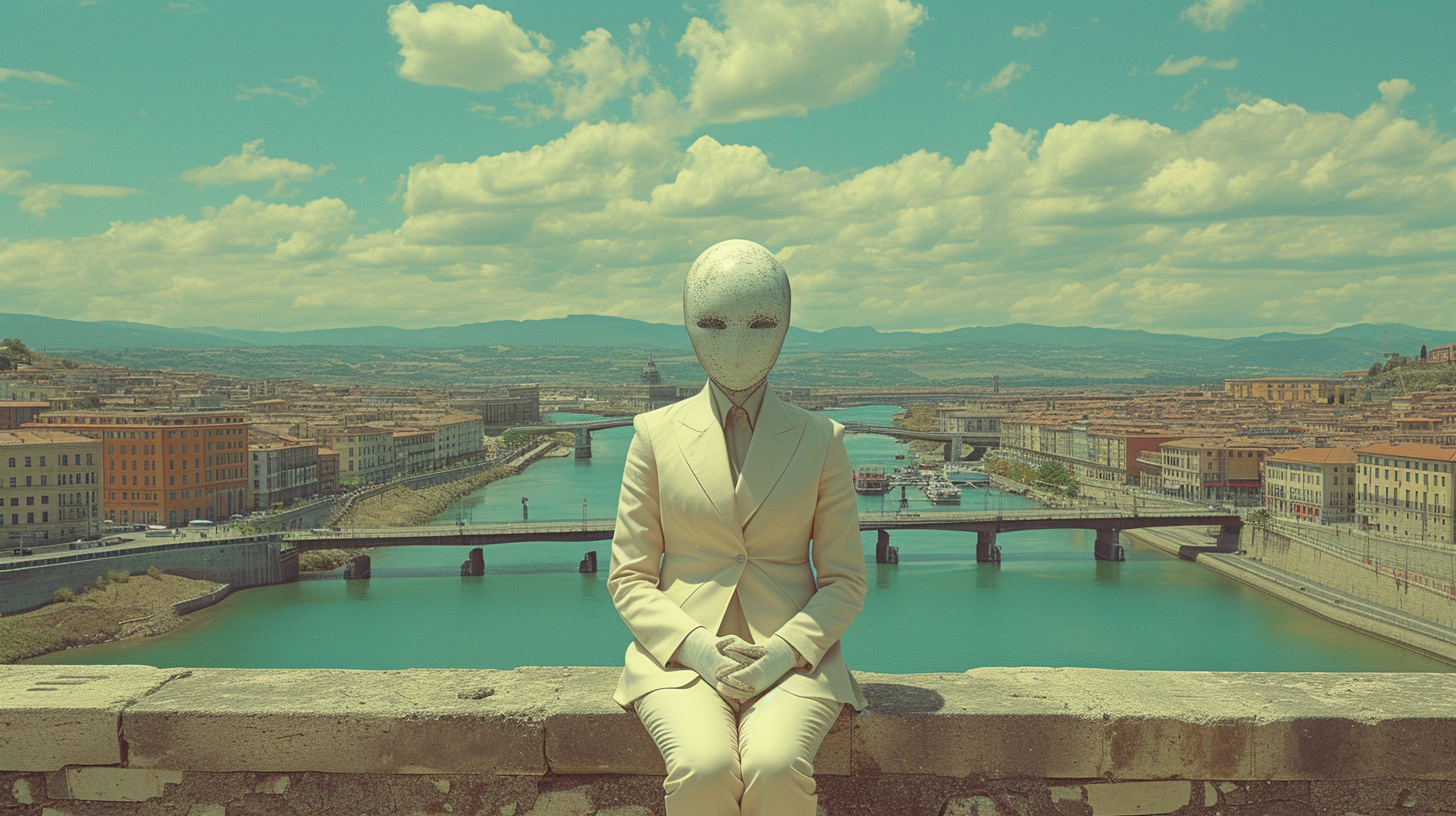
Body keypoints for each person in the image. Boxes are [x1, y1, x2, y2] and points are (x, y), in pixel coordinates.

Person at [608, 239, 868, 815]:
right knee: (704, 768)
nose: (737, 343)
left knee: (776, 767)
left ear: (783, 327)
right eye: (715, 322)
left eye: (759, 323)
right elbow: (628, 577)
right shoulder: (653, 435)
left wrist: (783, 653)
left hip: (794, 657)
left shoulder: (821, 439)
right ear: (689, 326)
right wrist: (698, 649)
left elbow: (845, 580)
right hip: (678, 658)